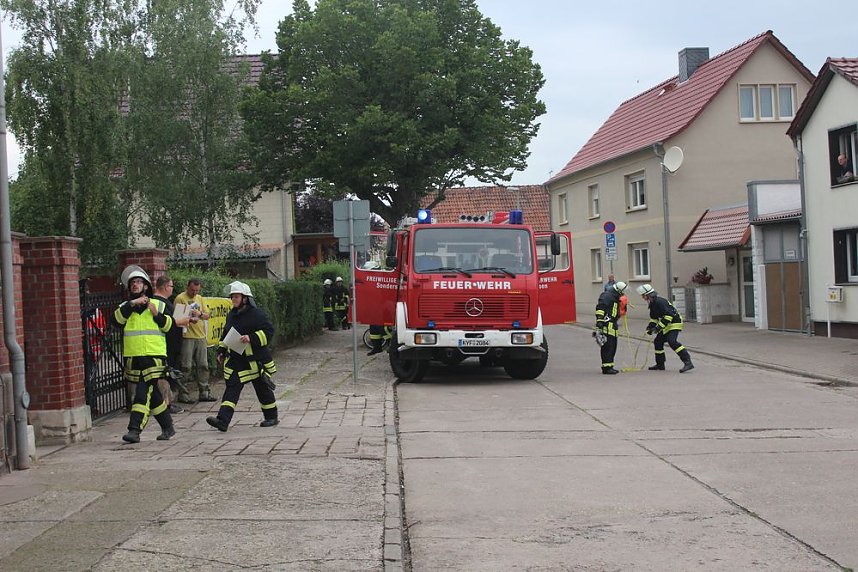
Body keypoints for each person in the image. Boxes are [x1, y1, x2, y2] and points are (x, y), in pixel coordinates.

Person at [112, 266, 176, 443]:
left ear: (146, 286)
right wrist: (132, 304)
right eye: (132, 282)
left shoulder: (159, 304)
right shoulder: (125, 307)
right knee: (152, 395)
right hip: (134, 357)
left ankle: (134, 430)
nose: (135, 285)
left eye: (139, 282)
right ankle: (168, 427)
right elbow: (116, 321)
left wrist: (156, 314)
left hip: (153, 356)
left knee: (142, 393)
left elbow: (170, 327)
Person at [206, 281, 279, 432]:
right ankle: (222, 421)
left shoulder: (257, 314)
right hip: (238, 360)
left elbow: (269, 331)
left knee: (263, 390)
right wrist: (221, 351)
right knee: (232, 388)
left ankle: (271, 417)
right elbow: (226, 334)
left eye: (236, 296)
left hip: (255, 361)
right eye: (232, 296)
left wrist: (251, 338)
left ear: (245, 298)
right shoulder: (232, 315)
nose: (233, 299)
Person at [152, 276, 192, 414]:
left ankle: (167, 403)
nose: (172, 289)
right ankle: (165, 405)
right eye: (171, 286)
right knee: (165, 374)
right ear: (165, 287)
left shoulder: (164, 302)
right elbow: (167, 322)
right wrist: (181, 321)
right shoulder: (160, 303)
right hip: (165, 345)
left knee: (167, 374)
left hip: (169, 344)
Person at [174, 278, 215, 403]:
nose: (194, 293)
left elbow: (207, 315)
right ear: (187, 287)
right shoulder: (180, 298)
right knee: (186, 366)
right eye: (192, 290)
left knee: (203, 365)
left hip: (200, 336)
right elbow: (178, 318)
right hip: (187, 336)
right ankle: (183, 394)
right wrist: (191, 319)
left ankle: (204, 392)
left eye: (197, 290)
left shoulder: (200, 298)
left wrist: (200, 314)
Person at [637, 284, 694, 373]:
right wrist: (650, 328)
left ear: (648, 295)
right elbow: (654, 318)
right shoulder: (652, 304)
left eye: (643, 295)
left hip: (674, 322)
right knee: (658, 341)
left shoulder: (660, 302)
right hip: (667, 325)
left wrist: (658, 328)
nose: (642, 298)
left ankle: (688, 362)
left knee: (672, 341)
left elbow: (669, 316)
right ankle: (660, 364)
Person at [595, 280, 626, 374]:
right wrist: (600, 321)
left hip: (613, 325)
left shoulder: (614, 297)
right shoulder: (607, 296)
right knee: (608, 347)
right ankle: (606, 368)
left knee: (613, 346)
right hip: (607, 325)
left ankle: (610, 366)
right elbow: (600, 308)